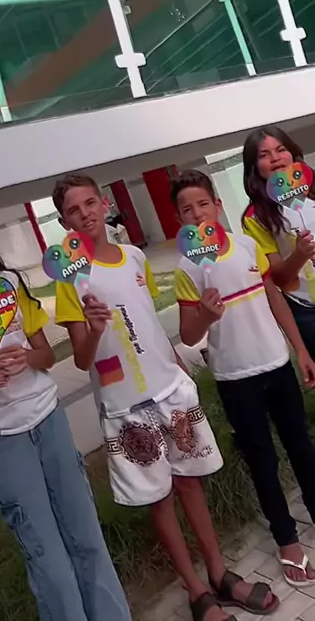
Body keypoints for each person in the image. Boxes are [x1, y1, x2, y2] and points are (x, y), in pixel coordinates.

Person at [53, 173, 275, 621]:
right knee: (160, 496)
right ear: (64, 222)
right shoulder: (69, 279)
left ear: (104, 203)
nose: (85, 214)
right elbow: (81, 359)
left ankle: (218, 573)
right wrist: (94, 329)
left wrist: (174, 361)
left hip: (169, 390)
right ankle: (196, 591)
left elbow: (147, 321)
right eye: (73, 210)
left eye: (90, 203)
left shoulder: (134, 257)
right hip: (124, 406)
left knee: (191, 480)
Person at [0, 209, 132, 621]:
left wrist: (25, 357)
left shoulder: (9, 283)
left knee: (85, 534)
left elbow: (46, 355)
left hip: (47, 418)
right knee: (43, 551)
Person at [172, 169, 315, 588]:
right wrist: (205, 314)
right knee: (263, 462)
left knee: (302, 448)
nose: (197, 213)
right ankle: (287, 541)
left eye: (203, 204)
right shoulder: (186, 269)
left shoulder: (248, 246)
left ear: (217, 205)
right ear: (179, 219)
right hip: (235, 379)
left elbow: (275, 297)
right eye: (186, 209)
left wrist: (300, 350)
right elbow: (188, 335)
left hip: (277, 365)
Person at [242, 125, 315, 358]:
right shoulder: (255, 217)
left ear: (293, 153)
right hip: (307, 310)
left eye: (281, 149)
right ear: (254, 168)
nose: (275, 158)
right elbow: (279, 278)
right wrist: (300, 254)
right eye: (264, 155)